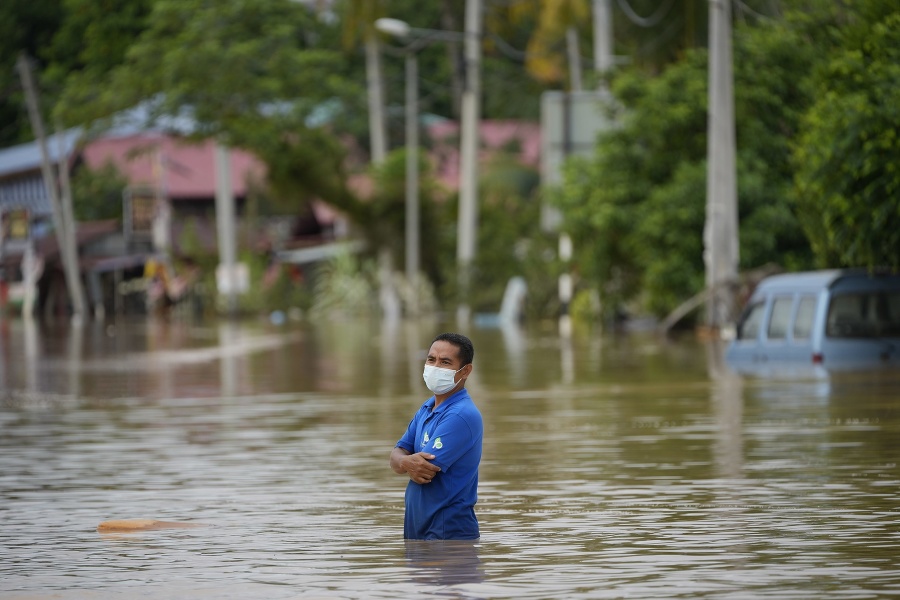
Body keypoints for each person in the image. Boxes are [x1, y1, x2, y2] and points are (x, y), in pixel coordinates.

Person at [390, 332, 483, 540]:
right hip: (420, 530)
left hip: (447, 532)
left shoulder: (461, 414)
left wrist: (405, 461)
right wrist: (405, 461)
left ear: (465, 371)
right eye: (431, 360)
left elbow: (424, 470)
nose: (435, 367)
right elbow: (396, 457)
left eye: (445, 362)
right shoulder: (427, 408)